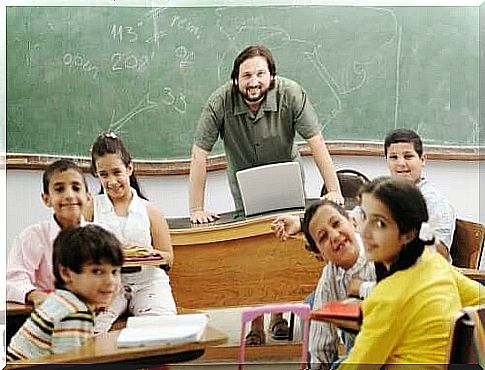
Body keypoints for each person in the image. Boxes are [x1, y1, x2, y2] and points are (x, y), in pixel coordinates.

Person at [189, 44, 343, 343]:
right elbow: (199, 154)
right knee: (253, 254)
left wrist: (334, 190)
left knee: (285, 247)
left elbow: (316, 142)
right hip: (245, 186)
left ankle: (278, 318)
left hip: (288, 181)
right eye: (246, 75)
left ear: (272, 76)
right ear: (236, 79)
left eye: (260, 74)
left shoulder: (292, 93)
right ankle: (256, 324)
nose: (254, 81)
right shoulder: (219, 102)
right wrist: (196, 207)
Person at [338, 177, 485, 368]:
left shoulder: (388, 296)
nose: (365, 231)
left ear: (408, 233)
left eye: (380, 223)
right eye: (364, 218)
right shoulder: (430, 261)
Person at [88, 132, 177, 333]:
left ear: (129, 168)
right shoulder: (91, 206)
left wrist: (145, 253)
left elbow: (169, 259)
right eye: (104, 174)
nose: (111, 181)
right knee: (87, 330)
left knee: (163, 331)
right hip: (108, 285)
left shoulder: (150, 210)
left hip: (148, 284)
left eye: (117, 172)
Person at [273, 199, 376, 370]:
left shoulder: (381, 251)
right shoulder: (330, 276)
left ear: (353, 222)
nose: (335, 236)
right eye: (323, 237)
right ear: (320, 256)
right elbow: (321, 337)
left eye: (336, 224)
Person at [7, 224, 123, 361]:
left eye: (114, 271)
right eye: (97, 271)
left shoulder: (61, 299)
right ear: (66, 273)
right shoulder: (74, 313)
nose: (110, 281)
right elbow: (69, 364)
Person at [6, 159, 91, 306]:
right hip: (46, 314)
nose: (69, 195)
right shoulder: (32, 237)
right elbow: (13, 281)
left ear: (88, 197)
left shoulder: (99, 236)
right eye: (59, 189)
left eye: (76, 188)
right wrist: (34, 295)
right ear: (46, 199)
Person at [384, 128, 456, 259]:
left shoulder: (434, 202)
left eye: (408, 156)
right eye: (393, 157)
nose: (401, 163)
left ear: (422, 159)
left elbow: (440, 255)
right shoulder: (382, 195)